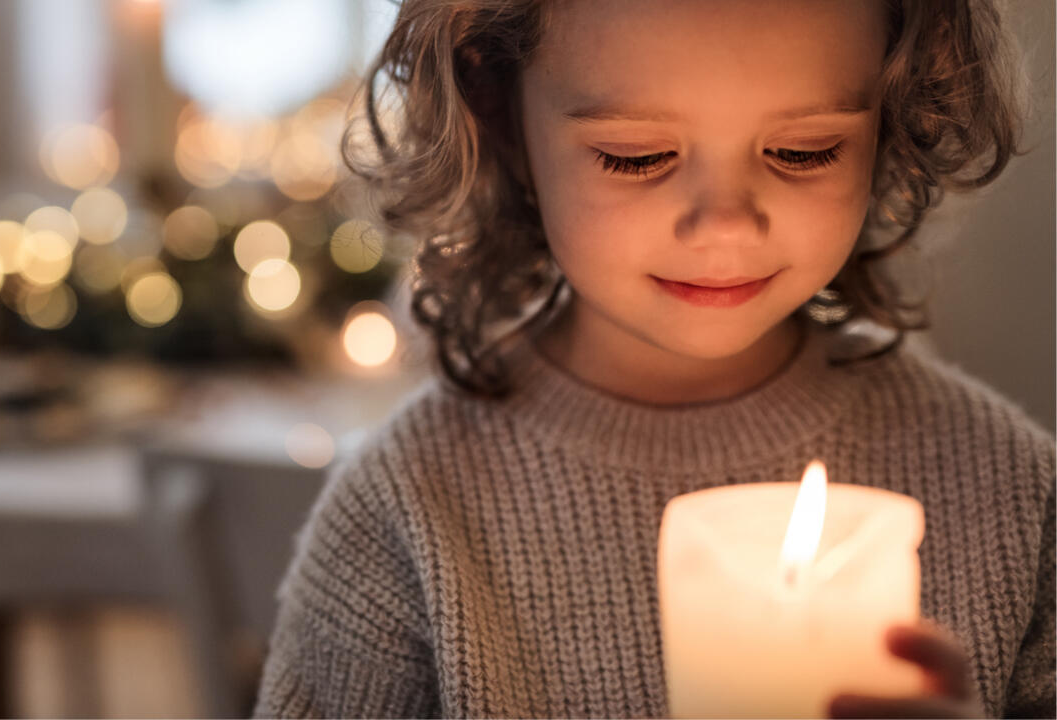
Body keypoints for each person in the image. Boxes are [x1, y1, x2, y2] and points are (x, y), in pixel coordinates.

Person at [252, 0, 1054, 717]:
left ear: (890, 119)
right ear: (498, 112)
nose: (725, 226)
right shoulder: (406, 516)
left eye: (804, 152)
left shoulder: (1011, 489)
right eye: (637, 157)